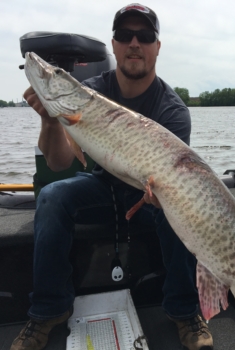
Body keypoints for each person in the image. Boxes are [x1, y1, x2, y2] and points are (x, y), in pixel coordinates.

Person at [11, 3, 213, 350]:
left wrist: (160, 194)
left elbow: (175, 182)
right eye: (125, 35)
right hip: (102, 184)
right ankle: (49, 310)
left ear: (157, 47)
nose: (135, 42)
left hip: (151, 194)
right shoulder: (89, 91)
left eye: (145, 36)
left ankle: (184, 311)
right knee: (52, 196)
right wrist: (49, 120)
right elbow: (59, 163)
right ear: (115, 45)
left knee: (175, 210)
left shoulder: (172, 110)